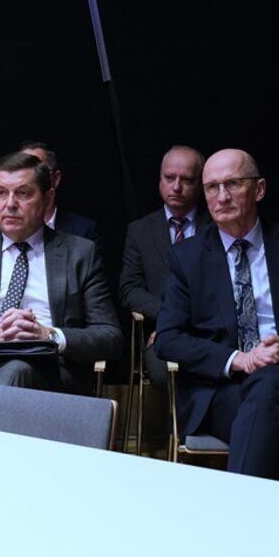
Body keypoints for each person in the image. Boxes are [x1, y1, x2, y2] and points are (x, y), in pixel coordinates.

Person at [155, 148, 279, 478]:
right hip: (220, 392)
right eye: (212, 187)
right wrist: (240, 359)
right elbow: (168, 339)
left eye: (233, 184)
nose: (222, 196)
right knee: (269, 416)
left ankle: (242, 498)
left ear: (259, 189)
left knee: (270, 383)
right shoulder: (187, 257)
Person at [0, 152, 123, 396]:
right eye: (1, 193)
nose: (10, 204)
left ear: (48, 199)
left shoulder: (79, 253)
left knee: (14, 371)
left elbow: (110, 338)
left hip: (51, 371)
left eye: (23, 193)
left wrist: (48, 335)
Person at [119, 145, 211, 383]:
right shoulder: (140, 231)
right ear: (159, 179)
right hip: (162, 332)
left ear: (201, 184)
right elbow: (130, 289)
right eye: (169, 178)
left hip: (212, 331)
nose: (176, 187)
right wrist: (171, 320)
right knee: (165, 374)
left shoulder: (217, 227)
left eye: (187, 180)